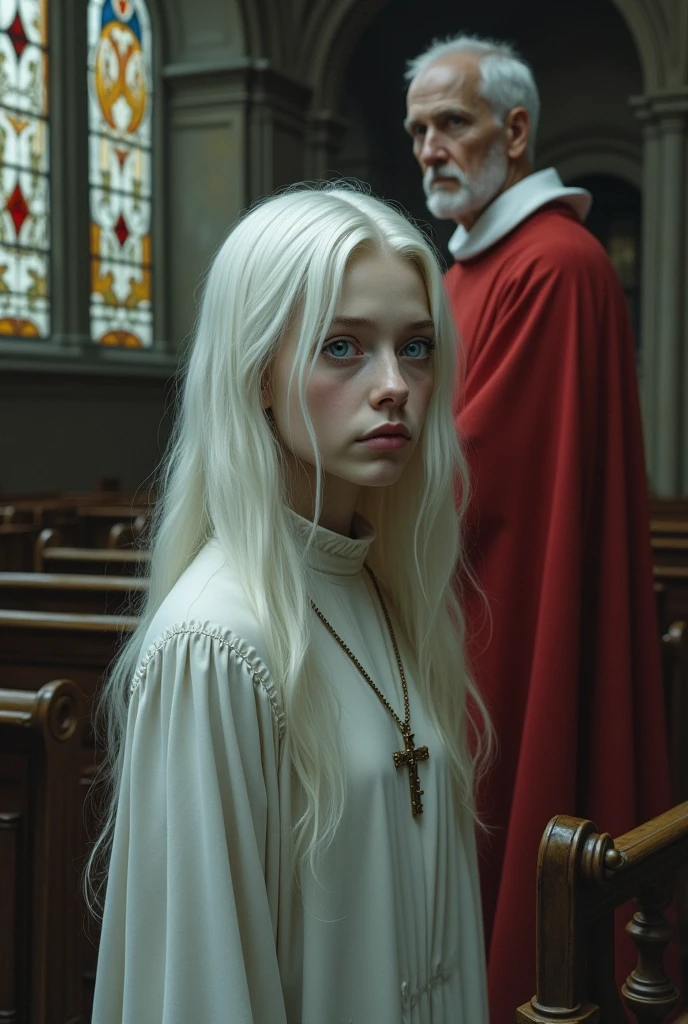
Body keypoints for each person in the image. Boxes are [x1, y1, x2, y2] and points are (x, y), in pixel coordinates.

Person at [87, 184, 492, 1024]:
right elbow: (203, 992)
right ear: (258, 373)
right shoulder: (215, 643)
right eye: (342, 346)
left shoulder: (382, 586)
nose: (394, 387)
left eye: (415, 348)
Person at [404, 34, 672, 1023]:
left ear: (515, 131)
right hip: (464, 593)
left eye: (452, 123)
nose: (429, 148)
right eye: (417, 130)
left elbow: (485, 462)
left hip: (511, 602)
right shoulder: (472, 261)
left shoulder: (554, 263)